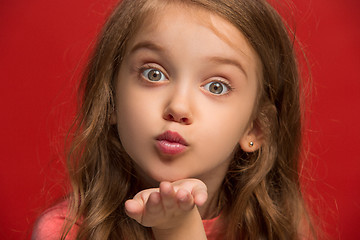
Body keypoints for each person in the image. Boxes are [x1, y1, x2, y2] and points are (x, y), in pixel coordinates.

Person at [32, 0, 316, 239]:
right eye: (153, 74)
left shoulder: (280, 229)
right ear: (111, 99)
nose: (178, 107)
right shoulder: (65, 232)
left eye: (216, 86)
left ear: (256, 126)